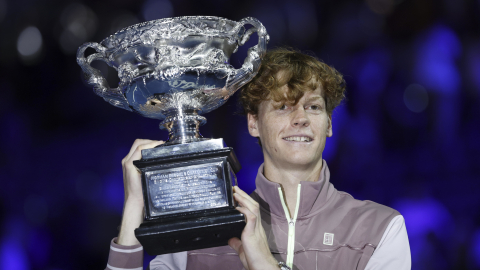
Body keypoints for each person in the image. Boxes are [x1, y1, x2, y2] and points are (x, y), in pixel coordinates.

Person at [105, 48, 411, 270]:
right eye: (283, 107)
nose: (301, 119)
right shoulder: (198, 234)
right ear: (254, 123)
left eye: (314, 107)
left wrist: (265, 262)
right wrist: (134, 206)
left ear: (329, 124)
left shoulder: (379, 228)